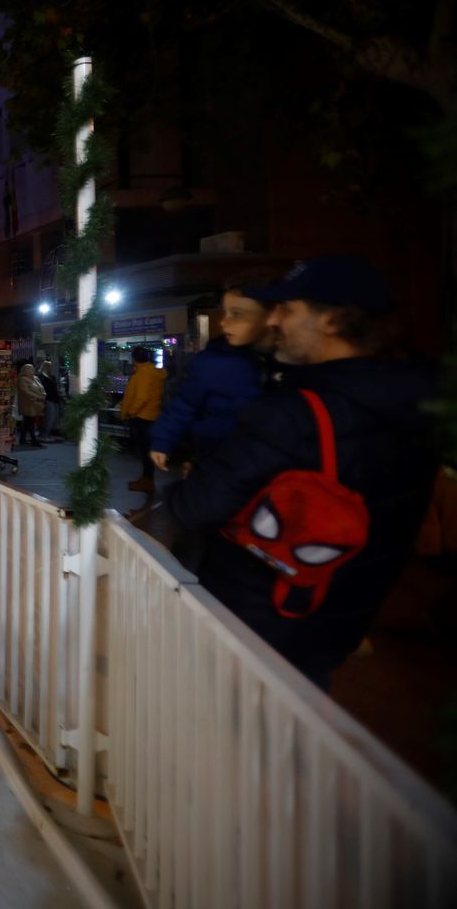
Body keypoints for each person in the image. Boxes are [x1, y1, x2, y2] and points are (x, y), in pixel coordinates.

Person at [159, 256, 437, 688]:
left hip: (258, 620)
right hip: (337, 617)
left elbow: (194, 506)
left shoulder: (293, 414)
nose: (274, 321)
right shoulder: (422, 400)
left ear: (332, 320)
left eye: (288, 309)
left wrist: (197, 471)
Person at [150, 278, 274, 475]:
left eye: (237, 315)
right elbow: (184, 404)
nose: (224, 322)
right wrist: (164, 439)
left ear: (272, 317)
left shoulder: (289, 364)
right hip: (215, 459)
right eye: (225, 312)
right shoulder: (211, 361)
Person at [119, 346, 168, 494]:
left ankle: (147, 481)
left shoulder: (143, 375)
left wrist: (131, 412)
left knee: (145, 451)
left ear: (134, 359)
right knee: (146, 451)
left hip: (142, 418)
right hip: (151, 416)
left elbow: (141, 398)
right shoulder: (153, 373)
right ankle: (146, 479)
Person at [16, 363, 46, 447]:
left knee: (27, 421)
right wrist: (37, 396)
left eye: (33, 368)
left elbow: (42, 388)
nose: (33, 370)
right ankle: (34, 439)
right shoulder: (22, 379)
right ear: (26, 371)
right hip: (28, 403)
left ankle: (22, 438)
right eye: (31, 369)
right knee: (30, 421)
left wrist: (43, 395)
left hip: (37, 403)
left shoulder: (36, 378)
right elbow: (25, 391)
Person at [38, 360, 65, 441]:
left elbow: (54, 388)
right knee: (49, 417)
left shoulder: (51, 376)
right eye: (50, 366)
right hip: (48, 398)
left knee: (53, 417)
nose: (51, 368)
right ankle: (44, 435)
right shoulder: (41, 376)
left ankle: (48, 434)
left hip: (54, 398)